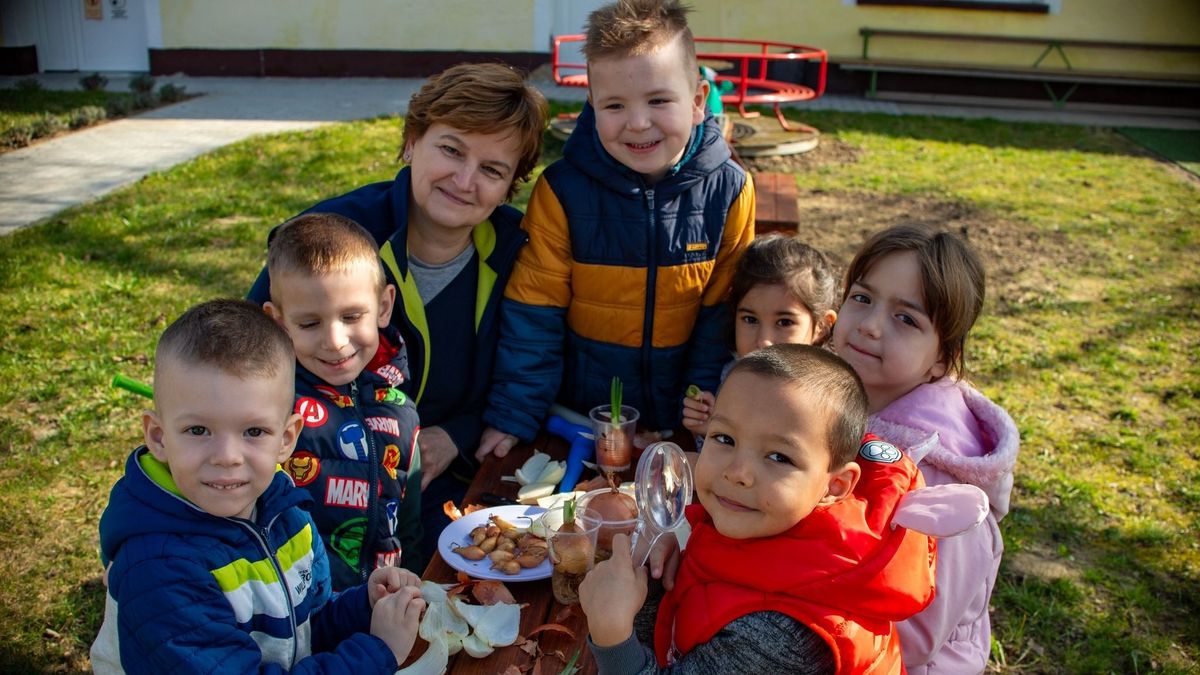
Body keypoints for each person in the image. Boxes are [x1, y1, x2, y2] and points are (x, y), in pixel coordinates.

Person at [248, 63, 548, 557]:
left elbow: (533, 367)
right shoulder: (329, 236)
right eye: (451, 149)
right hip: (318, 480)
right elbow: (248, 354)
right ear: (412, 141)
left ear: (511, 184)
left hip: (449, 477)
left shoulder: (521, 253)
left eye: (493, 169)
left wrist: (455, 435)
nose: (465, 179)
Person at [478, 0, 756, 460]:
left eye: (659, 100)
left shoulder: (731, 190)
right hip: (579, 420)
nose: (638, 122)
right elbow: (534, 315)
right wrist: (513, 414)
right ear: (591, 105)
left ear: (697, 101)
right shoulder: (562, 192)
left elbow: (721, 317)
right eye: (614, 105)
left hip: (682, 426)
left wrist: (701, 410)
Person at [90, 299, 425, 674]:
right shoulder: (161, 571)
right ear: (159, 436)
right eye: (198, 430)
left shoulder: (285, 511)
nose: (228, 456)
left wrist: (363, 606)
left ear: (286, 439)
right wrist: (378, 652)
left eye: (254, 431)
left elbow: (305, 627)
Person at [579, 344, 937, 674]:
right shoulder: (764, 525)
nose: (737, 473)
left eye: (779, 457)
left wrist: (611, 632)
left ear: (834, 486)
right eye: (724, 438)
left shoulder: (780, 635)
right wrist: (655, 588)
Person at [832, 224, 1019, 674]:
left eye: (906, 319)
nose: (870, 326)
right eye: (861, 297)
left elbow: (915, 636)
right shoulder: (833, 402)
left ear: (942, 357)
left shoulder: (941, 480)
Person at [263, 213, 422, 584]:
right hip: (299, 612)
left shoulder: (400, 409)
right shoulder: (267, 408)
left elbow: (410, 525)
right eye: (309, 324)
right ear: (279, 323)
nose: (335, 341)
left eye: (351, 316)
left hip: (384, 604)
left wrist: (415, 584)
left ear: (383, 307)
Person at [682, 232, 838, 440]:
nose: (764, 340)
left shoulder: (826, 398)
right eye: (750, 319)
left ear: (822, 326)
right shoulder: (731, 376)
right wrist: (712, 429)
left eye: (784, 322)